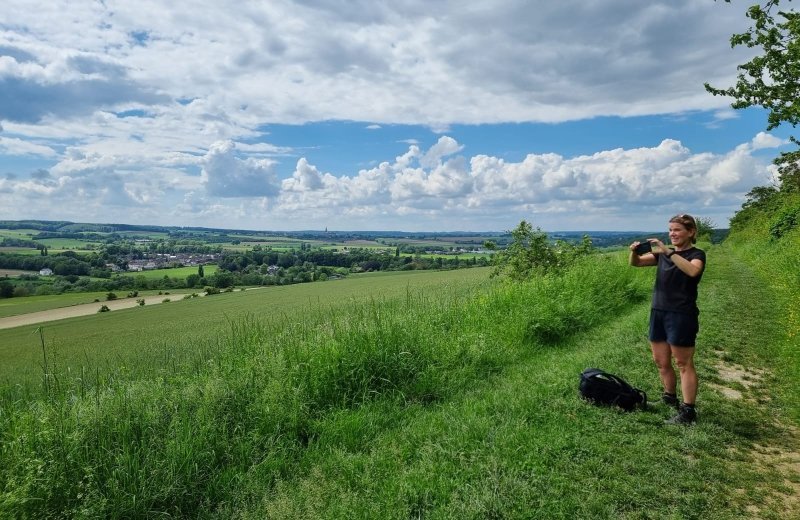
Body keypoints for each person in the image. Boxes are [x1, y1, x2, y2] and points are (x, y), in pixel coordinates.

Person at [629, 214, 706, 425]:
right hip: (659, 312)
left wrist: (668, 252)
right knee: (661, 361)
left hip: (681, 314)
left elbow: (693, 271)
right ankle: (669, 397)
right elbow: (636, 263)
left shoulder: (696, 254)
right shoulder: (663, 255)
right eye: (670, 230)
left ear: (691, 232)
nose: (672, 233)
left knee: (683, 362)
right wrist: (634, 252)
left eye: (677, 230)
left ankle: (688, 411)